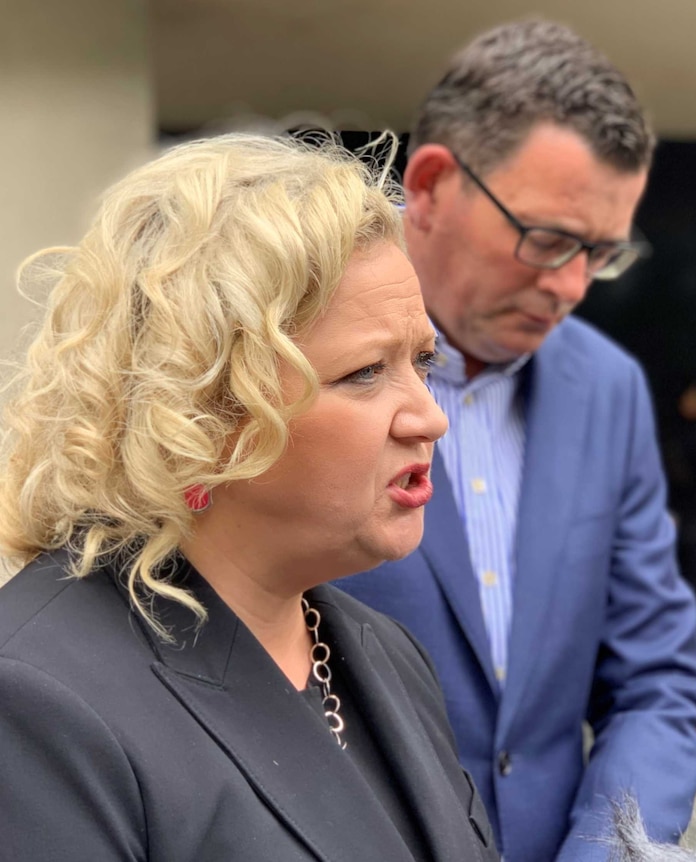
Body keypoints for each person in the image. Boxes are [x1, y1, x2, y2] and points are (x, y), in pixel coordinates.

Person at [0, 134, 499, 862]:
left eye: (421, 362)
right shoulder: (40, 700)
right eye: (365, 372)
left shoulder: (381, 652)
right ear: (204, 407)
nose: (429, 415)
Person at [335, 19, 696, 862]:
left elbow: (658, 680)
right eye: (548, 241)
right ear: (431, 185)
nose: (572, 287)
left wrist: (606, 848)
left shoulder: (607, 387)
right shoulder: (295, 352)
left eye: (602, 255)